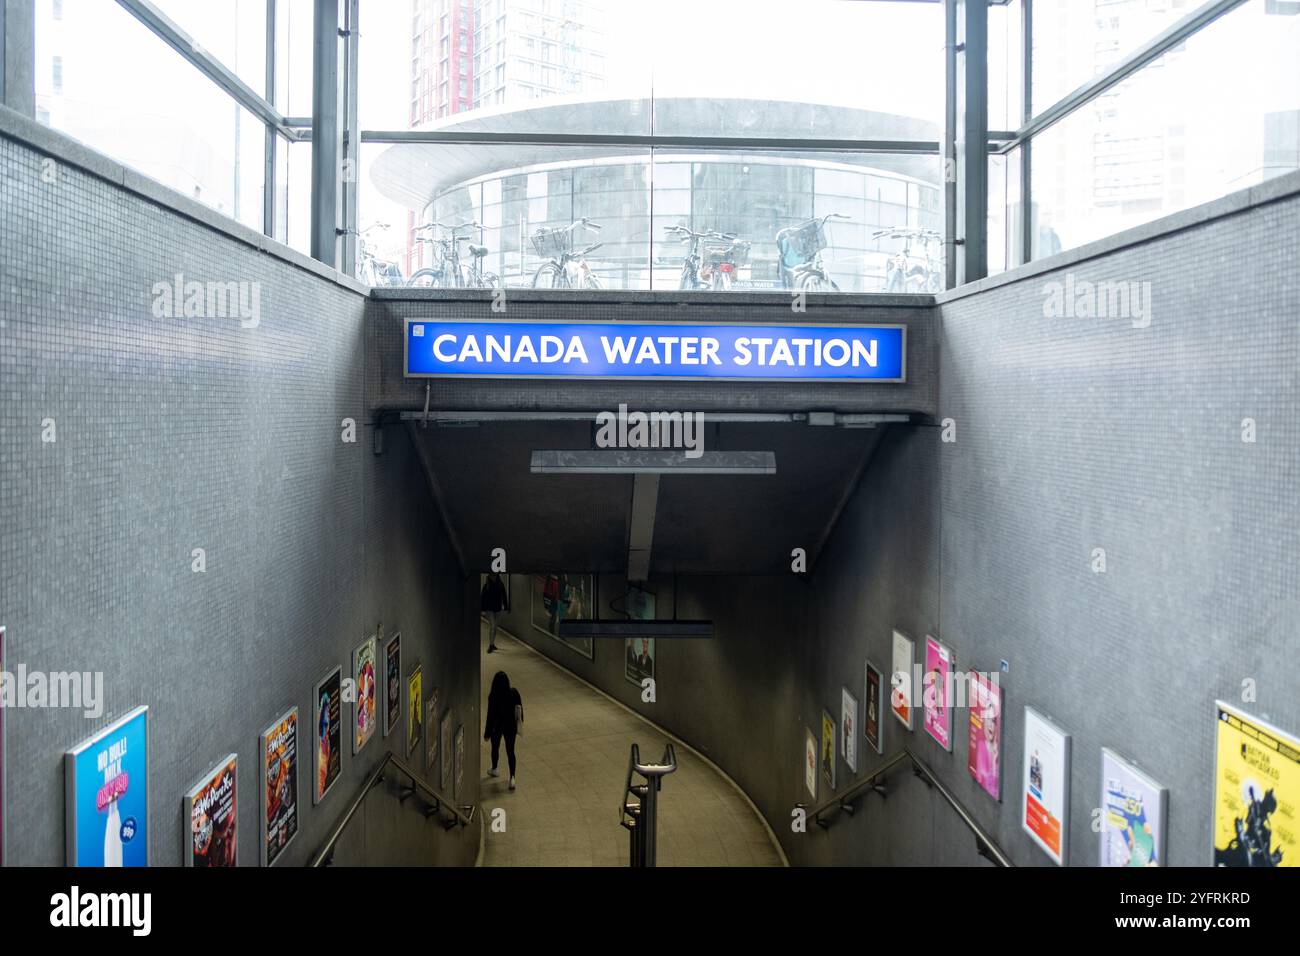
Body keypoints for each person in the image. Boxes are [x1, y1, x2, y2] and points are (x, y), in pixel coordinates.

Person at [484, 670, 523, 790]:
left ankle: (494, 768)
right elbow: (520, 709)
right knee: (510, 751)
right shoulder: (513, 692)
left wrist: (487, 733)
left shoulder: (493, 696)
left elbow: (490, 716)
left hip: (497, 727)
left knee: (495, 748)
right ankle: (512, 778)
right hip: (510, 727)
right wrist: (520, 723)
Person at [481, 572, 510, 653]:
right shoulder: (487, 585)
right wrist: (482, 609)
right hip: (489, 609)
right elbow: (483, 597)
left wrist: (506, 607)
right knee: (492, 626)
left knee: (495, 627)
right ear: (489, 576)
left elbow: (504, 595)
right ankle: (490, 645)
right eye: (492, 575)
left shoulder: (500, 584)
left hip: (497, 608)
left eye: (494, 575)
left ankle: (492, 643)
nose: (493, 577)